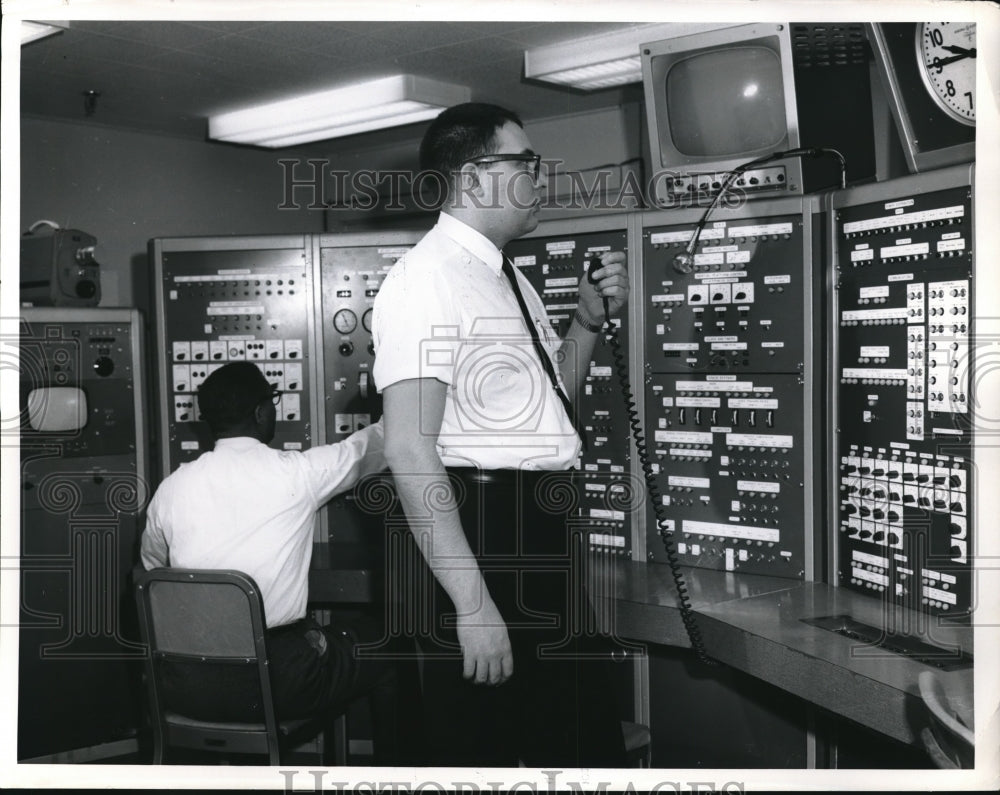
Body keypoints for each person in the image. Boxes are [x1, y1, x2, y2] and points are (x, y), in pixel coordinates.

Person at [371, 102, 630, 767]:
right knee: (488, 752)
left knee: (579, 744)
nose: (540, 175)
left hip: (539, 536)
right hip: (485, 536)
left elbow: (546, 404)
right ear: (478, 176)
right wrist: (473, 601)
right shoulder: (423, 280)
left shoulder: (507, 275)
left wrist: (589, 323)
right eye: (527, 162)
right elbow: (407, 446)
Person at [139, 361, 410, 764]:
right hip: (276, 682)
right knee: (391, 649)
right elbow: (366, 450)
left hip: (186, 684)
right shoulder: (296, 474)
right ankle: (402, 780)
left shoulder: (170, 489)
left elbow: (153, 577)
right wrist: (406, 404)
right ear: (263, 413)